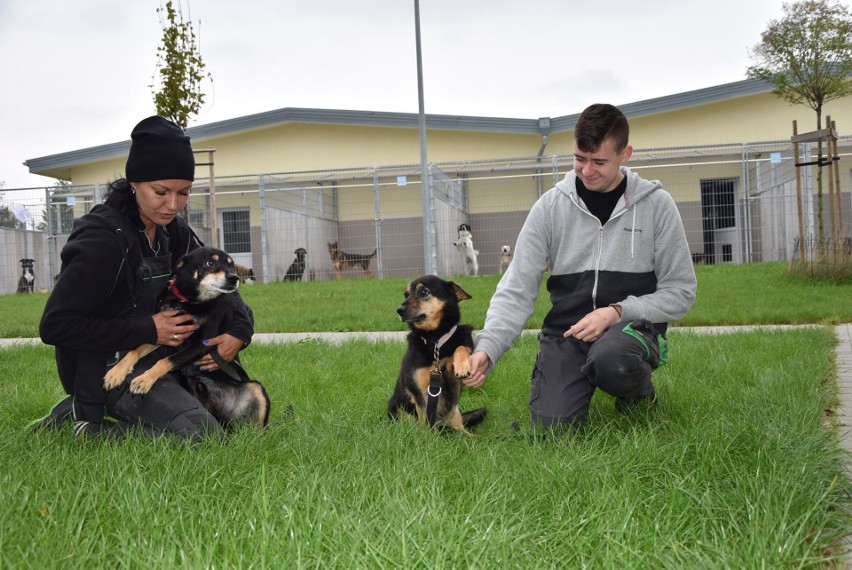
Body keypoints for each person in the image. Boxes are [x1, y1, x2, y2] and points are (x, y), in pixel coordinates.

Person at [464, 103, 697, 430]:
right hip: (567, 333)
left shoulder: (657, 206)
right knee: (553, 428)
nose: (587, 170)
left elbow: (681, 292)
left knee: (612, 359)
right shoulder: (549, 208)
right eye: (579, 159)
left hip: (630, 330)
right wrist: (488, 347)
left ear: (625, 154)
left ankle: (638, 394)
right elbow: (516, 290)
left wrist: (616, 311)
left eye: (599, 161)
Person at [35, 116, 254, 441]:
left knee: (236, 418)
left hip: (159, 359)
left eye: (183, 192)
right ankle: (84, 424)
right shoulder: (101, 240)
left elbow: (221, 289)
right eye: (161, 191)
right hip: (104, 367)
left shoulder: (172, 230)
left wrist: (240, 331)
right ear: (134, 182)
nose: (172, 205)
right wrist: (149, 328)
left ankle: (135, 412)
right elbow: (55, 326)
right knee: (202, 435)